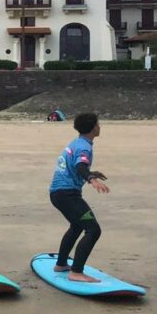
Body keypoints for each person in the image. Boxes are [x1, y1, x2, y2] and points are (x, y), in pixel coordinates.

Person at [49, 112, 110, 283]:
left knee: (76, 226)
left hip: (58, 193)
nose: (100, 127)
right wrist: (91, 178)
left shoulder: (77, 142)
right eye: (98, 124)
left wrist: (91, 173)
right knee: (93, 230)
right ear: (92, 128)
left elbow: (76, 166)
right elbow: (80, 165)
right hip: (67, 195)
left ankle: (61, 264)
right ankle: (76, 272)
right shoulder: (84, 147)